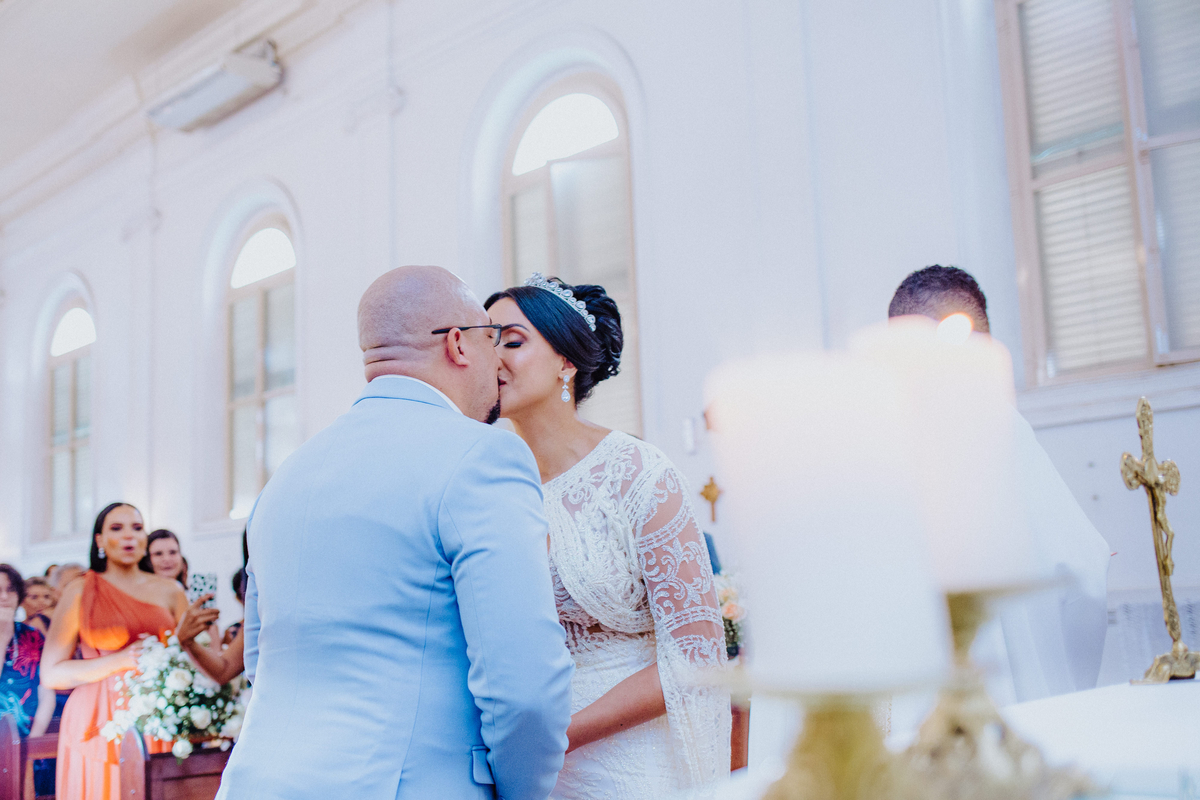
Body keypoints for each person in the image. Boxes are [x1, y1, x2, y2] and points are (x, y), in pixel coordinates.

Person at [216, 266, 574, 800]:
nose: (497, 360)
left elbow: (259, 660)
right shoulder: (481, 456)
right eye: (490, 338)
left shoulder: (285, 479)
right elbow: (524, 688)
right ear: (458, 343)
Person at [486, 274, 730, 798]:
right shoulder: (490, 484)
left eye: (512, 341)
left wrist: (558, 738)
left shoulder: (638, 473)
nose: (493, 359)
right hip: (521, 771)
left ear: (565, 362)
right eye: (487, 343)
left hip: (628, 766)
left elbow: (695, 654)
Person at [888, 265, 1111, 701]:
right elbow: (1083, 570)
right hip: (1008, 696)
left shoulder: (865, 435)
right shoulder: (997, 425)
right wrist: (1068, 683)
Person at [40, 502, 188, 800]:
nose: (129, 536)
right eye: (117, 529)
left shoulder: (170, 590)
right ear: (100, 540)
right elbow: (51, 673)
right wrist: (119, 660)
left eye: (137, 528)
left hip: (158, 713)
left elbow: (189, 654)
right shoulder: (80, 590)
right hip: (97, 718)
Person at [0, 565, 55, 737]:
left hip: (29, 734)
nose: (4, 597)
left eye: (10, 590)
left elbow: (46, 690)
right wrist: (3, 638)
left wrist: (35, 738)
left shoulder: (33, 635)